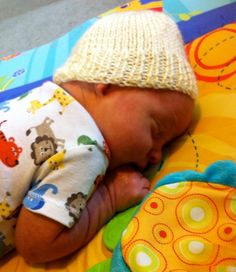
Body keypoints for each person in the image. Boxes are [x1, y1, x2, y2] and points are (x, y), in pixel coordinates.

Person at [0, 10, 197, 263]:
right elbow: (36, 245)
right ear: (109, 84)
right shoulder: (85, 148)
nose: (157, 155)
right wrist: (109, 199)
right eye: (156, 130)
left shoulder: (38, 97)